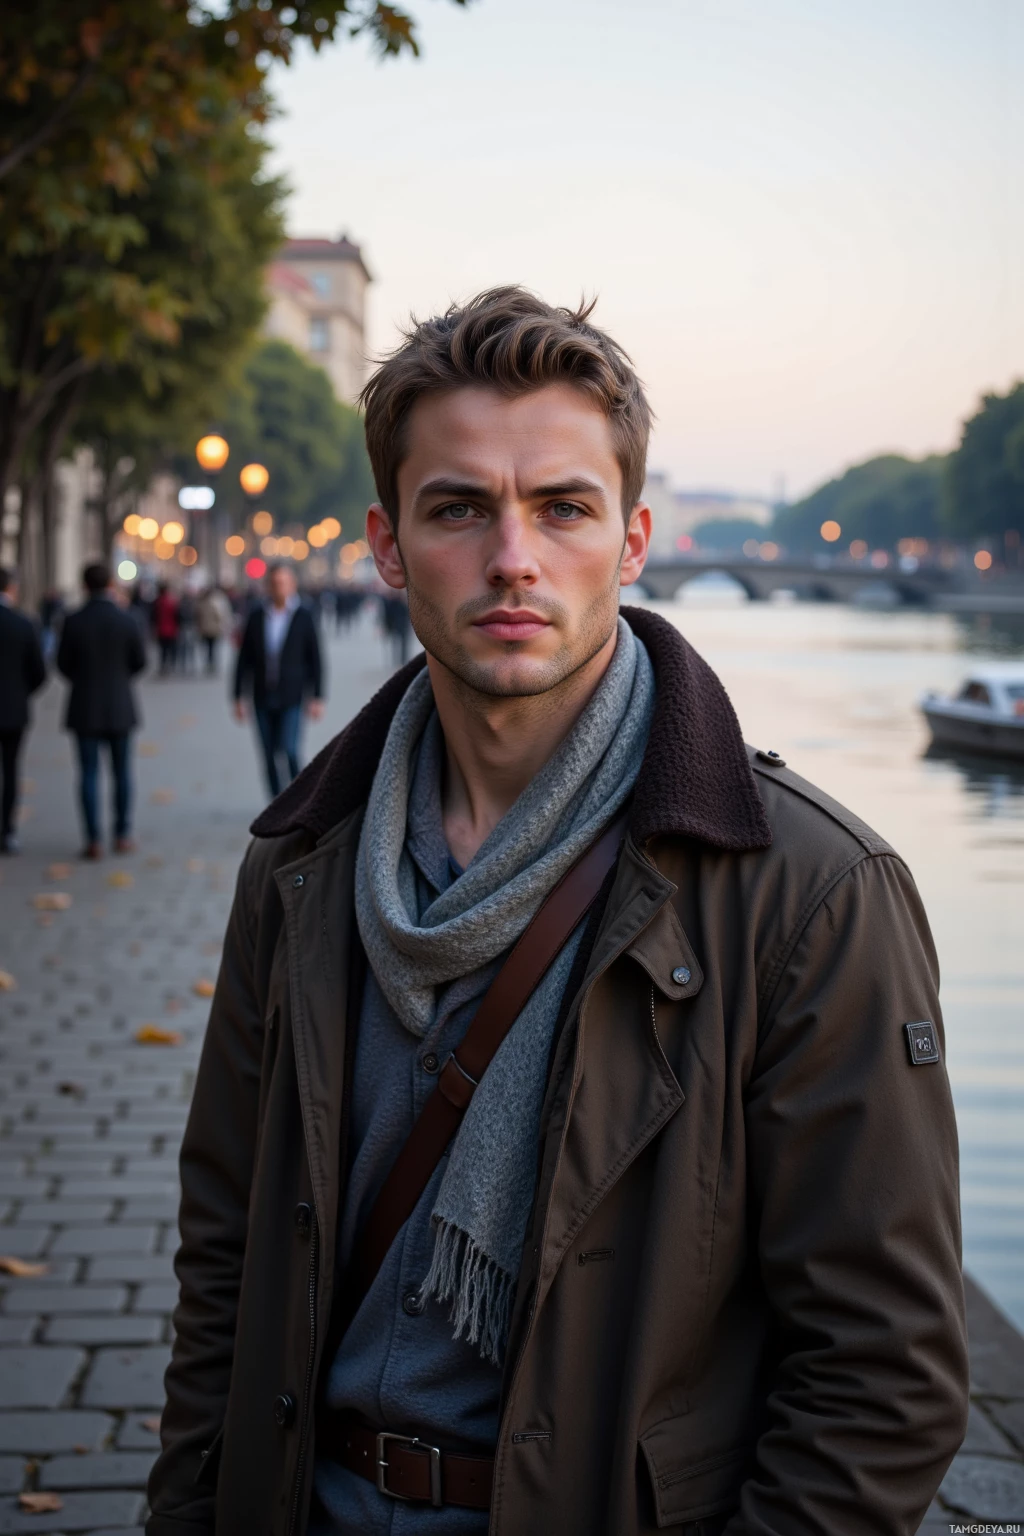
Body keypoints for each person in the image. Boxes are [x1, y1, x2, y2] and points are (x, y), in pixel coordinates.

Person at [148, 290, 968, 1536]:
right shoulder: (300, 863)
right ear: (386, 543)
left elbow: (881, 1374)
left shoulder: (809, 893)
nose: (513, 558)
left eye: (564, 508)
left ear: (635, 540)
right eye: (460, 508)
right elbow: (227, 1253)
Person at [57, 562, 146, 858]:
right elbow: (140, 661)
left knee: (88, 773)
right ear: (110, 583)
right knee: (122, 773)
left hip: (84, 706)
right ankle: (121, 833)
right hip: (120, 705)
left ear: (84, 586)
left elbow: (62, 663)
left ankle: (92, 838)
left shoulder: (72, 620)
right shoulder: (126, 619)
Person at [233, 563, 324, 797]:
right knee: (268, 754)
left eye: (283, 583)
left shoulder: (304, 616)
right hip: (262, 695)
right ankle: (276, 803)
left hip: (292, 695)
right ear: (267, 586)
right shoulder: (256, 616)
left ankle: (299, 798)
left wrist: (317, 696)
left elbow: (316, 658)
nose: (279, 588)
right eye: (274, 583)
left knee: (290, 750)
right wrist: (237, 697)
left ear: (292, 584)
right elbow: (243, 659)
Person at [0, 567, 46, 854]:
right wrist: (20, 694)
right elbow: (39, 672)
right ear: (12, 588)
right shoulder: (23, 623)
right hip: (13, 710)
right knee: (10, 770)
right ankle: (7, 831)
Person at [196, 583, 234, 676]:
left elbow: (198, 617)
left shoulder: (202, 604)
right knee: (212, 648)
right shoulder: (214, 604)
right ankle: (212, 663)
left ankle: (210, 663)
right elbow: (219, 616)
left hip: (206, 629)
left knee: (208, 648)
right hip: (213, 629)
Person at [152, 582, 179, 675]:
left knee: (163, 650)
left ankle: (163, 666)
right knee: (170, 649)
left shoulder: (157, 602)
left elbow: (153, 617)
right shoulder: (172, 601)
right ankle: (170, 666)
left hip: (161, 629)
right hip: (171, 629)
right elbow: (177, 616)